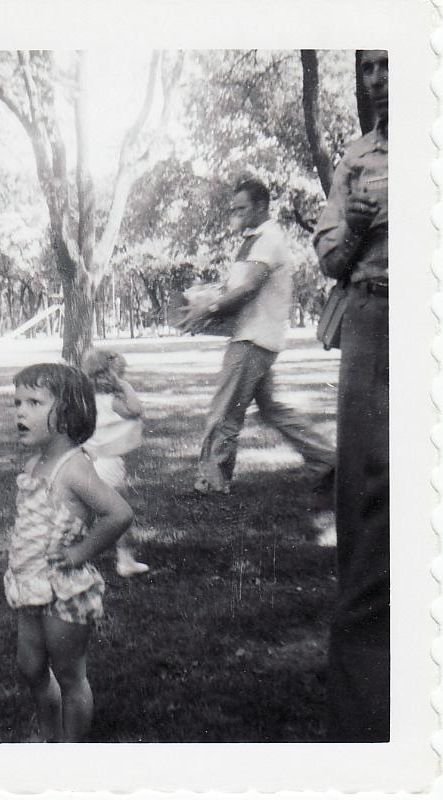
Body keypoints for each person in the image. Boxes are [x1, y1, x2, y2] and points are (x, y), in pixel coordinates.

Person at [313, 49, 389, 742]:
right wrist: (360, 224)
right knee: (367, 499)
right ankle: (364, 715)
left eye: (386, 63)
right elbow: (331, 260)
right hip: (374, 318)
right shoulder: (354, 159)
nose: (376, 79)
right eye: (366, 67)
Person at [180, 178, 336, 496]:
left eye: (242, 207)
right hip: (256, 337)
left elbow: (249, 288)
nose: (235, 213)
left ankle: (213, 480)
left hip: (253, 340)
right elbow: (235, 290)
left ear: (262, 207)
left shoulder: (268, 239)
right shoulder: (253, 240)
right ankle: (328, 459)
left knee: (224, 412)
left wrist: (207, 308)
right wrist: (205, 305)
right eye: (233, 207)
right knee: (271, 409)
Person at [7, 364, 133, 741]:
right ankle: (50, 735)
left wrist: (80, 552)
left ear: (66, 413)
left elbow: (119, 513)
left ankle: (71, 750)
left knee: (69, 673)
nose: (19, 411)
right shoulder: (35, 463)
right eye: (17, 402)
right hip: (30, 584)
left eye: (33, 402)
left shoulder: (74, 468)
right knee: (30, 667)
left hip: (64, 591)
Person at [81, 348, 150, 577]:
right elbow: (136, 410)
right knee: (122, 514)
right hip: (108, 465)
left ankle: (74, 553)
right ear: (111, 375)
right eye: (122, 373)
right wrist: (125, 386)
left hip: (89, 461)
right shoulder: (111, 401)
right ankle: (125, 561)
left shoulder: (86, 400)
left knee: (87, 513)